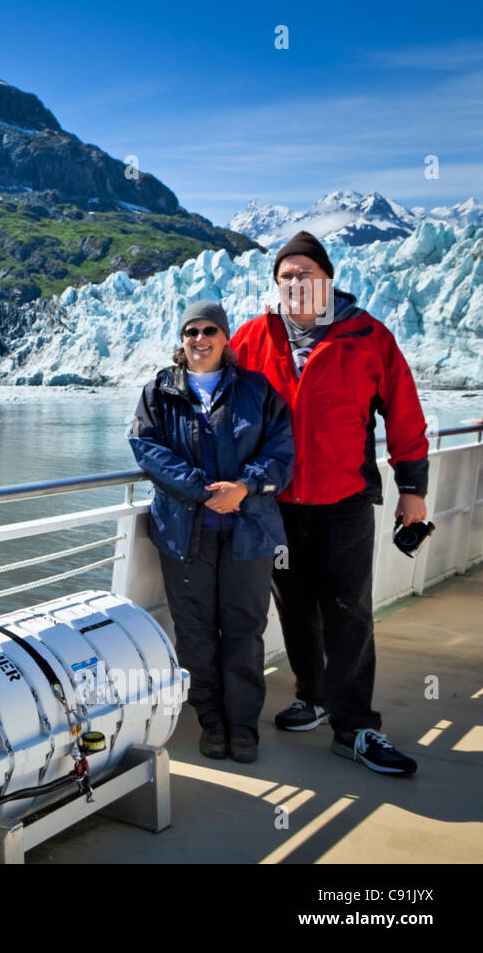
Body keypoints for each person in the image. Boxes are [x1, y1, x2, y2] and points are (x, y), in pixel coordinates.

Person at [231, 231, 428, 776]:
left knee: (347, 611)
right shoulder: (252, 337)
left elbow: (405, 414)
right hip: (279, 505)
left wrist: (413, 487)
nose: (295, 283)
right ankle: (312, 696)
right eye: (285, 276)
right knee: (294, 606)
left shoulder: (366, 336)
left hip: (344, 501)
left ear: (328, 279)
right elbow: (216, 401)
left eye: (305, 273)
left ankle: (356, 725)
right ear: (276, 285)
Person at [128, 301, 294, 763]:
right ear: (182, 340)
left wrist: (244, 486)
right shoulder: (159, 391)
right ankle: (212, 721)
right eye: (190, 332)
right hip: (186, 532)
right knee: (196, 630)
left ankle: (243, 726)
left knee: (245, 628)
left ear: (225, 338)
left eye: (208, 331)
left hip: (250, 531)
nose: (199, 339)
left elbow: (281, 451)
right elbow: (146, 447)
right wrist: (204, 491)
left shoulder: (257, 390)